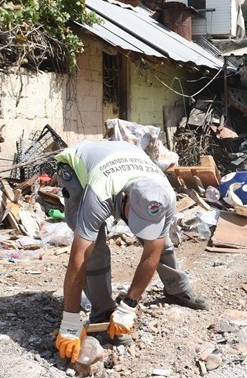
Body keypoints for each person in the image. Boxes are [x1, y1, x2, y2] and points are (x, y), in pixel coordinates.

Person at [53, 140, 209, 362]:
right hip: (79, 171)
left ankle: (176, 287)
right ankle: (103, 311)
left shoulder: (165, 194)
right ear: (124, 199)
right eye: (134, 218)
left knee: (160, 242)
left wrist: (129, 305)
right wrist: (69, 321)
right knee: (94, 248)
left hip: (126, 162)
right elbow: (79, 257)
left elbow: (151, 253)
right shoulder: (101, 193)